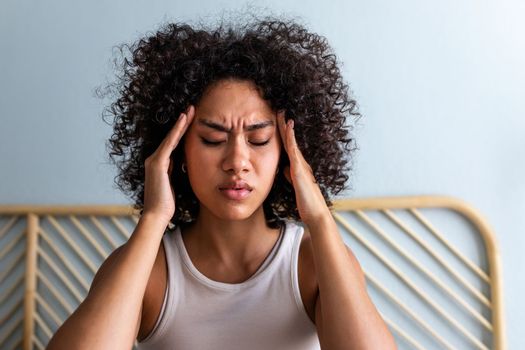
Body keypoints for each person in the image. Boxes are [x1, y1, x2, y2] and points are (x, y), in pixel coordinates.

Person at [48, 15, 397, 350]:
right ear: (177, 153)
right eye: (213, 140)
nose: (236, 163)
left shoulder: (313, 261)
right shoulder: (149, 267)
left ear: (289, 155)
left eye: (258, 140)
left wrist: (319, 219)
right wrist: (153, 219)